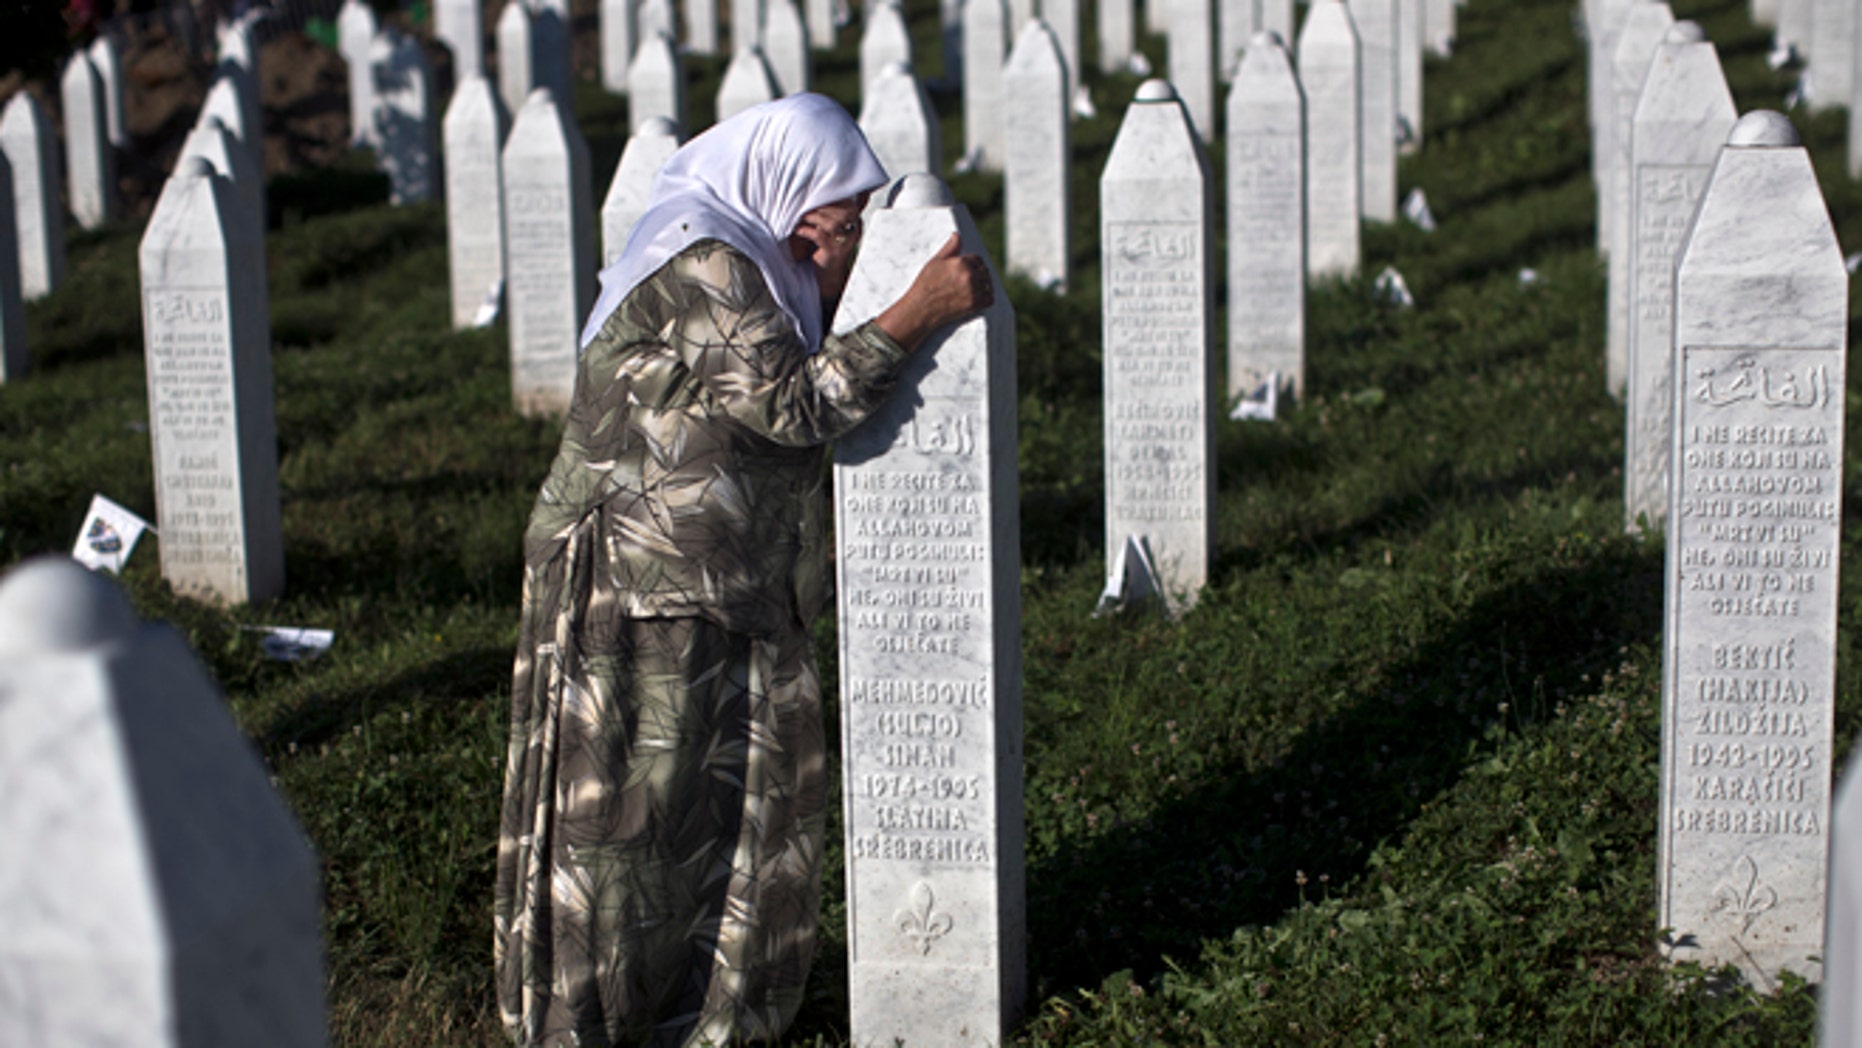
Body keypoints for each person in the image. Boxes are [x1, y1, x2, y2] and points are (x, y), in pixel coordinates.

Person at [494, 93, 992, 1047]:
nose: (833, 252)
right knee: (630, 827)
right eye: (834, 226)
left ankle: (698, 1011)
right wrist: (914, 310)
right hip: (639, 586)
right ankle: (596, 1022)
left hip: (720, 582)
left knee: (712, 815)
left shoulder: (753, 257)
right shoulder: (706, 258)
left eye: (844, 232)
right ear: (785, 195)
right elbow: (790, 403)